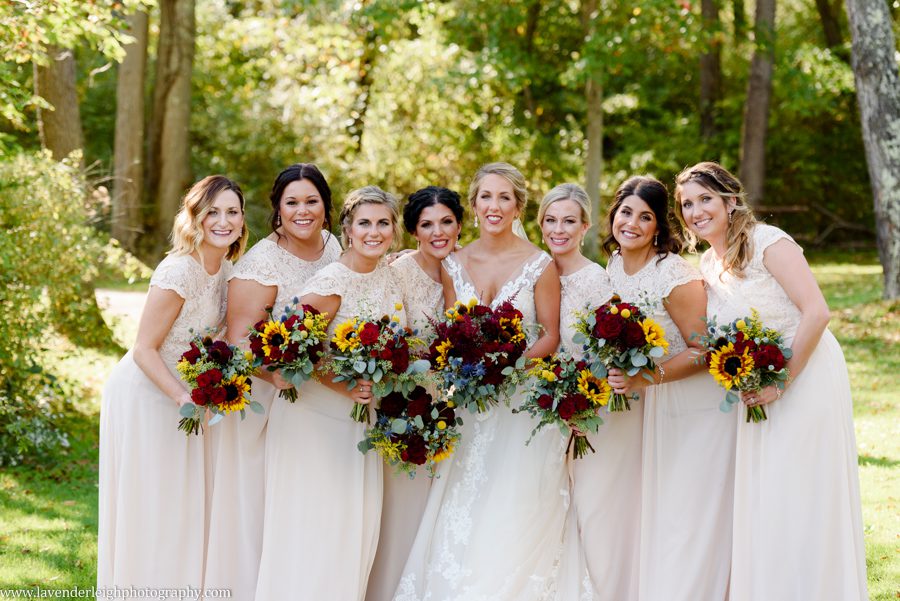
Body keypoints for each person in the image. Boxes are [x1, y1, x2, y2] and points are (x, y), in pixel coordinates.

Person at [674, 162, 867, 601]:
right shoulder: (707, 262)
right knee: (770, 496)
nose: (696, 210)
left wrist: (781, 383)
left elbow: (817, 311)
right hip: (756, 383)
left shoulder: (768, 242)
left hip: (805, 371)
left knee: (801, 489)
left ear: (730, 199)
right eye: (687, 203)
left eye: (705, 199)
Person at [394, 162, 565, 601]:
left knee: (514, 504)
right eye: (486, 196)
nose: (494, 205)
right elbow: (452, 331)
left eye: (504, 197)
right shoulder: (454, 262)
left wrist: (510, 365)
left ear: (517, 207)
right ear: (473, 205)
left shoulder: (540, 264)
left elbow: (550, 333)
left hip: (522, 402)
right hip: (471, 406)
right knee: (464, 505)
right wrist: (470, 367)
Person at [254, 185, 405, 601]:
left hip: (359, 422)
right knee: (315, 526)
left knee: (351, 528)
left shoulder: (388, 272)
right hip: (315, 419)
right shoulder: (333, 279)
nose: (374, 232)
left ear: (394, 229)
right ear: (348, 229)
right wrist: (342, 383)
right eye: (365, 224)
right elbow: (287, 345)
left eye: (383, 223)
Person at [97, 175, 248, 590]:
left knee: (184, 502)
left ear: (241, 220)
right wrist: (185, 397)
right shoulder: (178, 270)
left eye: (231, 212)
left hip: (189, 395)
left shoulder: (227, 268)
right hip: (148, 393)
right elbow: (144, 348)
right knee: (155, 502)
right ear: (195, 218)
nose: (223, 221)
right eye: (212, 212)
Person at [205, 164, 341, 600]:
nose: (303, 211)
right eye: (292, 203)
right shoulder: (260, 263)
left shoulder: (334, 246)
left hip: (326, 397)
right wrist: (277, 373)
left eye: (312, 201)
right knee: (266, 512)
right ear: (277, 211)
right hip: (268, 403)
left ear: (326, 206)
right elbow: (237, 339)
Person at [597, 176, 731, 601]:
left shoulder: (671, 274)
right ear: (613, 216)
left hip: (690, 405)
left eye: (645, 216)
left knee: (685, 515)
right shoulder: (614, 264)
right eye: (625, 213)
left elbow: (705, 348)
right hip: (648, 405)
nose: (632, 223)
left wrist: (644, 378)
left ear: (659, 227)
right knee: (657, 512)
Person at [540, 183, 641, 600]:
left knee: (590, 510)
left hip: (589, 415)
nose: (558, 230)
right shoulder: (533, 271)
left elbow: (610, 351)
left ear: (584, 227)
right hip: (541, 409)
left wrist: (584, 405)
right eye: (550, 220)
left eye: (568, 221)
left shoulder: (595, 280)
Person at [366, 186, 463, 601]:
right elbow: (388, 342)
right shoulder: (397, 272)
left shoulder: (468, 266)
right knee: (406, 513)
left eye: (446, 222)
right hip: (406, 407)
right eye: (427, 224)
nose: (438, 232)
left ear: (460, 224)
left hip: (460, 408)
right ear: (413, 230)